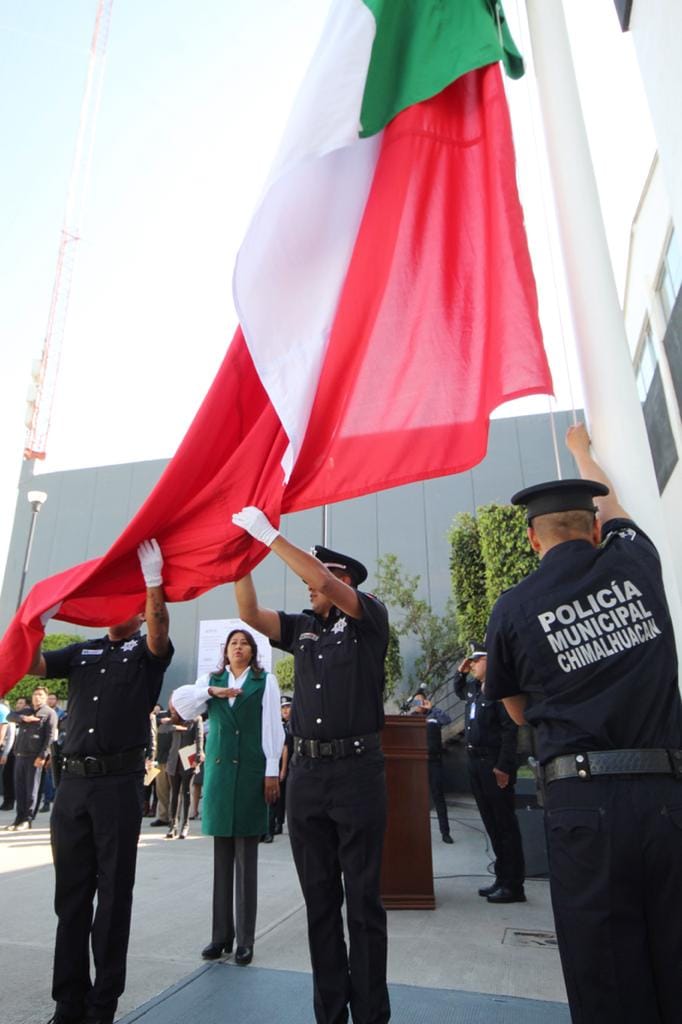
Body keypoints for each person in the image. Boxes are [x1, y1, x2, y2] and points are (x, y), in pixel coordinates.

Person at [484, 424, 682, 1024]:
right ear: (594, 529)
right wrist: (581, 452)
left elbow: (515, 705)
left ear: (530, 539)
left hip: (581, 803)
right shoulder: (636, 562)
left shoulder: (514, 606)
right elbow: (620, 505)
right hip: (666, 796)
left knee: (605, 973)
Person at [232, 505, 391, 1024]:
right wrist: (239, 560)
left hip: (358, 773)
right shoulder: (302, 627)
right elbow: (252, 617)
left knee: (362, 903)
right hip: (308, 775)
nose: (309, 587)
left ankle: (370, 1013)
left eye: (320, 579)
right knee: (319, 902)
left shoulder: (367, 615)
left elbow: (317, 574)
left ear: (344, 580)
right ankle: (330, 1013)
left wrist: (269, 535)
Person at [31, 538, 173, 1024]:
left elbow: (159, 635)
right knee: (70, 898)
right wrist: (37, 623)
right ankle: (68, 1002)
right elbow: (33, 666)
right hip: (72, 787)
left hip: (117, 787)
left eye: (126, 601)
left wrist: (153, 583)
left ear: (136, 609)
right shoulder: (84, 649)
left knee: (113, 898)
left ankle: (101, 1004)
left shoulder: (145, 652)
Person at [170, 627, 281, 966]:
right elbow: (180, 704)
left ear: (252, 651)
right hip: (220, 775)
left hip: (250, 771)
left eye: (244, 643)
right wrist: (210, 690)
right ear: (226, 650)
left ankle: (245, 940)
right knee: (221, 862)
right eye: (233, 643)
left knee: (247, 861)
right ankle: (221, 937)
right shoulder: (211, 678)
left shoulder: (265, 681)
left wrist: (272, 769)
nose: (238, 648)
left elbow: (272, 726)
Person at [454, 644, 525, 901]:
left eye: (476, 661)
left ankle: (514, 885)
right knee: (491, 824)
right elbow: (459, 690)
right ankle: (501, 877)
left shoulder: (499, 691)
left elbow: (510, 730)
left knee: (505, 825)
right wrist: (460, 673)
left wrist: (504, 766)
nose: (472, 664)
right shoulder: (474, 689)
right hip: (475, 763)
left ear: (489, 662)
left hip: (493, 764)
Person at [6, 686, 57, 831]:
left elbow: (50, 737)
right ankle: (18, 818)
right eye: (35, 694)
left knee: (32, 790)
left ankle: (27, 819)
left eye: (40, 695)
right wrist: (24, 718)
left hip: (34, 757)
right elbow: (9, 716)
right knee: (20, 789)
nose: (37, 697)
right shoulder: (27, 711)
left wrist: (43, 755)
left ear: (45, 698)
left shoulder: (49, 713)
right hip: (20, 755)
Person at [408, 693, 454, 844]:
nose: (419, 703)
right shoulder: (412, 717)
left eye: (421, 700)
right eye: (416, 701)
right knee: (415, 799)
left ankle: (445, 832)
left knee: (438, 797)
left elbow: (447, 720)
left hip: (434, 761)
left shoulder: (435, 714)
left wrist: (432, 707)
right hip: (417, 764)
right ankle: (414, 832)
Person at [165, 713, 203, 839]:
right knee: (174, 792)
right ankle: (173, 825)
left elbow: (199, 738)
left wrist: (198, 755)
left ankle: (185, 825)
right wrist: (172, 724)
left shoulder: (195, 718)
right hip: (174, 759)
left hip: (188, 758)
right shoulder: (175, 717)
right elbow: (162, 729)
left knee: (186, 792)